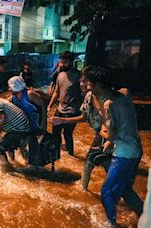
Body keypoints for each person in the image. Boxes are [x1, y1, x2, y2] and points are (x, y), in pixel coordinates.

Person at [85, 67, 144, 226]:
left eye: (89, 82)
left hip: (124, 154)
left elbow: (111, 134)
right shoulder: (123, 95)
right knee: (125, 189)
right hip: (136, 150)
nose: (86, 85)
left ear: (98, 84)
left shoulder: (108, 104)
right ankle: (144, 215)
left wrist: (101, 132)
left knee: (107, 192)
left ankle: (111, 224)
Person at [51, 66, 110, 190]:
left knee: (101, 164)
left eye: (85, 81)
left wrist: (110, 140)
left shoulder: (108, 100)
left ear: (96, 83)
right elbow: (83, 117)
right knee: (92, 163)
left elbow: (113, 124)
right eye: (81, 81)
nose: (81, 84)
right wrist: (61, 120)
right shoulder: (89, 96)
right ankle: (84, 191)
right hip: (100, 135)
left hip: (110, 137)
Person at [47, 51, 82, 156]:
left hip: (72, 111)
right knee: (55, 133)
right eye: (61, 62)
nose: (62, 64)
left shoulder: (79, 76)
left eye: (65, 62)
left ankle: (71, 156)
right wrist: (49, 105)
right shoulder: (60, 75)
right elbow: (56, 92)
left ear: (71, 62)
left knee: (67, 134)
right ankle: (56, 155)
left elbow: (84, 92)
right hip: (60, 110)